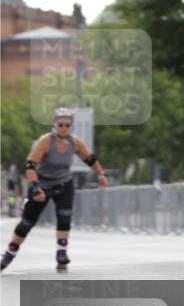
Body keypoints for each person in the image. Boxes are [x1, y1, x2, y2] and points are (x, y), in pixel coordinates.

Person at [1, 108, 109, 272]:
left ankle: (61, 252)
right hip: (42, 184)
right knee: (27, 222)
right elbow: (30, 165)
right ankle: (9, 253)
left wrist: (100, 174)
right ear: (54, 125)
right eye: (60, 125)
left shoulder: (75, 142)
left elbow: (90, 158)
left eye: (67, 125)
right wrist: (36, 187)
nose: (64, 128)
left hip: (64, 184)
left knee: (64, 217)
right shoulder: (45, 141)